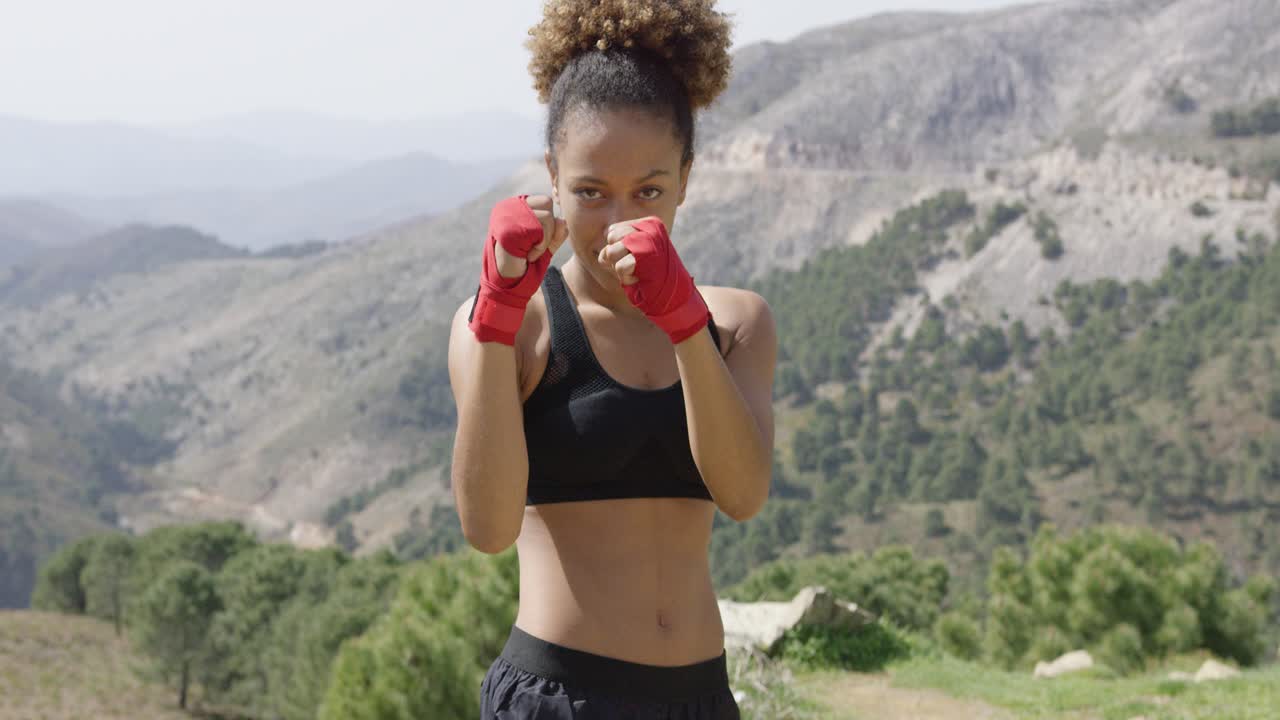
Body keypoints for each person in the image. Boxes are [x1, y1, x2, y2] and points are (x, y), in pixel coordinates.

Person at [447, 1, 776, 716]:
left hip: (699, 698)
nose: (619, 223)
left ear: (687, 177)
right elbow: (487, 529)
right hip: (556, 697)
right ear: (552, 179)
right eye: (591, 192)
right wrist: (495, 319)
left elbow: (743, 495)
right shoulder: (514, 325)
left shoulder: (736, 322)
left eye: (649, 191)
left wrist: (684, 320)